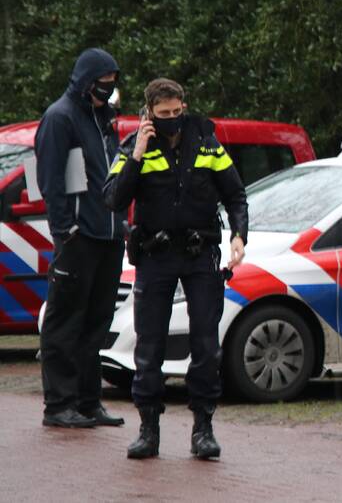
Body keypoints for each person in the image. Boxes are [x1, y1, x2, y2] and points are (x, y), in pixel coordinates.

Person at [104, 78, 247, 460]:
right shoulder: (136, 146)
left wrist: (238, 236)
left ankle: (203, 428)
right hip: (155, 255)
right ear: (149, 113)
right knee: (148, 346)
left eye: (176, 112)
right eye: (163, 114)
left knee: (205, 344)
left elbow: (235, 194)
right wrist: (136, 155)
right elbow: (114, 198)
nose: (171, 119)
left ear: (184, 106)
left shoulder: (206, 142)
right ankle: (149, 428)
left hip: (201, 255)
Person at [36, 47, 127, 429]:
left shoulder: (105, 120)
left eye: (112, 87)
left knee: (96, 321)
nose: (108, 93)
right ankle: (59, 405)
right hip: (78, 238)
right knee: (65, 321)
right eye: (102, 87)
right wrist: (64, 230)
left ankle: (89, 401)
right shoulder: (60, 118)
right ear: (86, 82)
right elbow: (51, 180)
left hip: (108, 236)